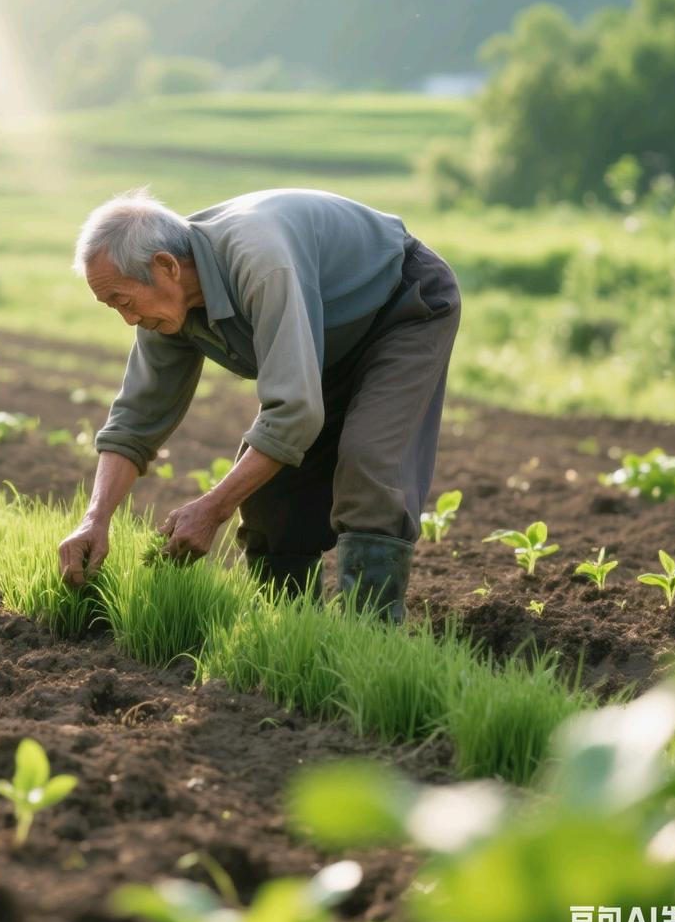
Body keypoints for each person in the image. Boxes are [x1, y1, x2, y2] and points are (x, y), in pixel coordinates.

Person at [57, 187, 461, 621]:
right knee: (270, 495)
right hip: (330, 337)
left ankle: (373, 639)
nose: (129, 319)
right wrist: (95, 519)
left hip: (402, 306)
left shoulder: (261, 262)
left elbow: (293, 413)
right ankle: (290, 631)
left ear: (166, 266)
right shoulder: (167, 303)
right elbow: (137, 419)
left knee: (369, 462)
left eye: (123, 299)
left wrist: (212, 508)